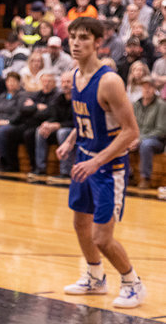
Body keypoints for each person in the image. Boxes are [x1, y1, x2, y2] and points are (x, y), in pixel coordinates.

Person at [56, 17, 146, 308]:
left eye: (84, 38)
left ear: (97, 43)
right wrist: (71, 140)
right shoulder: (74, 76)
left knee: (102, 237)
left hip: (108, 167)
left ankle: (133, 282)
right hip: (84, 159)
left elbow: (132, 132)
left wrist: (96, 161)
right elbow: (85, 119)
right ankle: (95, 278)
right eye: (73, 37)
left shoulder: (109, 81)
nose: (76, 43)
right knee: (80, 224)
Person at [32, 70, 75, 176]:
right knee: (40, 130)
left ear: (74, 83)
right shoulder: (59, 98)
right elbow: (53, 116)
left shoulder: (78, 99)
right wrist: (47, 124)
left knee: (62, 132)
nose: (65, 85)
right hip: (60, 127)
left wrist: (58, 125)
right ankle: (41, 168)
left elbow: (77, 122)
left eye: (68, 82)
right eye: (63, 82)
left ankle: (65, 171)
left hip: (73, 130)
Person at [131, 76, 166, 188]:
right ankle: (128, 175)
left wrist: (139, 139)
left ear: (154, 89)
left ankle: (146, 178)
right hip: (137, 138)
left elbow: (161, 130)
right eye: (144, 87)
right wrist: (132, 139)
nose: (147, 89)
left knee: (146, 145)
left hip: (156, 140)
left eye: (150, 87)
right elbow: (131, 126)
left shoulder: (161, 105)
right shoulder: (136, 104)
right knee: (123, 143)